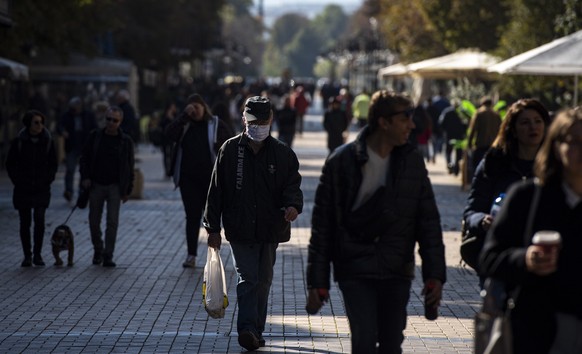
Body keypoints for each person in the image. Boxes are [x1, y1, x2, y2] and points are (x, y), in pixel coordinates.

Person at [306, 90, 446, 353]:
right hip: (354, 267)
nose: (412, 125)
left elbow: (428, 222)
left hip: (396, 268)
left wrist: (435, 275)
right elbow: (323, 226)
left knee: (392, 343)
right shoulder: (341, 162)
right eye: (405, 118)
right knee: (364, 340)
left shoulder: (412, 162)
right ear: (384, 122)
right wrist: (317, 281)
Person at [203, 96, 303, 351]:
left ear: (270, 120)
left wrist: (293, 205)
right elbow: (216, 191)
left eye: (262, 120)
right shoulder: (230, 149)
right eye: (253, 121)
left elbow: (292, 184)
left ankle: (256, 330)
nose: (257, 125)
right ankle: (247, 328)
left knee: (264, 280)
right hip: (240, 228)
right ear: (244, 120)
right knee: (248, 277)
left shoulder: (282, 153)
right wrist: (212, 228)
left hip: (271, 228)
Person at [479, 107, 582, 353]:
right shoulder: (528, 198)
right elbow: (489, 259)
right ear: (557, 147)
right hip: (536, 330)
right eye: (575, 142)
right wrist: (525, 259)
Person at [464, 99, 550, 283]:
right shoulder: (493, 163)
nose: (532, 127)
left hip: (545, 260)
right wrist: (482, 220)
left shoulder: (557, 167)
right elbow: (471, 211)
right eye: (525, 122)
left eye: (538, 121)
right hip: (500, 259)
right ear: (513, 129)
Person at [165, 94, 232, 268]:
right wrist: (183, 117)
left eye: (197, 107)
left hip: (210, 180)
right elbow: (168, 135)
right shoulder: (184, 125)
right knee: (192, 217)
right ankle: (191, 255)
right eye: (191, 107)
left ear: (204, 107)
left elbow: (229, 144)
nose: (194, 111)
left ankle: (214, 253)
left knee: (211, 218)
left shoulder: (215, 124)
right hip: (188, 180)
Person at [79, 106, 135, 267]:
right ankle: (98, 249)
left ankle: (108, 254)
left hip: (115, 187)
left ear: (120, 122)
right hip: (96, 184)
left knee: (112, 222)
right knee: (93, 221)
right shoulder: (95, 136)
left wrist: (128, 189)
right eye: (108, 119)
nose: (111, 123)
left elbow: (130, 167)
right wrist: (85, 177)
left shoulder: (125, 141)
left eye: (114, 120)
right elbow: (84, 158)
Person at [6, 110, 58, 267]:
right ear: (28, 124)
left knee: (40, 221)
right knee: (25, 222)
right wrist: (18, 180)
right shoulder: (19, 142)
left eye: (41, 122)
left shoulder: (48, 141)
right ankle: (27, 255)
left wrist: (47, 179)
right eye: (36, 122)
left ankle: (37, 254)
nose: (40, 125)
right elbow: (10, 163)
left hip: (41, 188)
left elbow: (53, 164)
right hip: (24, 188)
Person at [57, 96, 97, 202]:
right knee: (70, 169)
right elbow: (59, 126)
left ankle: (82, 191)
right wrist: (63, 132)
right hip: (72, 146)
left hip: (85, 146)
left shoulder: (88, 115)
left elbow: (95, 128)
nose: (76, 110)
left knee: (84, 170)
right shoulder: (67, 115)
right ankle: (69, 191)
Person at [467, 96, 501, 175]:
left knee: (477, 169)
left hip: (480, 145)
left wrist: (469, 143)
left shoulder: (478, 113)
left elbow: (473, 130)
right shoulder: (496, 114)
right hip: (493, 146)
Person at [439, 101, 467, 175]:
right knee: (458, 152)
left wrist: (445, 130)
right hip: (459, 135)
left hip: (449, 134)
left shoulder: (447, 112)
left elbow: (441, 123)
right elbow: (466, 123)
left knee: (448, 151)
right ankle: (456, 169)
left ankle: (449, 165)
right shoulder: (462, 112)